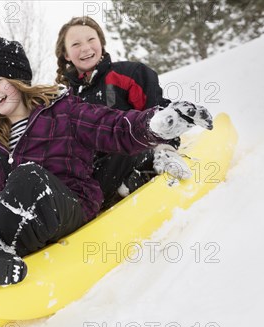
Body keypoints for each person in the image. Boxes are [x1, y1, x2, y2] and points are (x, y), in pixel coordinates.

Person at [0, 38, 212, 289]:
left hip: (65, 207)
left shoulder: (64, 110)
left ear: (18, 81)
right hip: (13, 224)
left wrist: (159, 122)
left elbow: (116, 128)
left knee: (28, 176)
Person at [55, 16, 191, 208]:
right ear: (66, 54)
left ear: (101, 42)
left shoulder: (130, 74)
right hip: (92, 178)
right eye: (76, 44)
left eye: (91, 40)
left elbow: (158, 114)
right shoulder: (66, 100)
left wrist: (165, 148)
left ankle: (137, 179)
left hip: (131, 154)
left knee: (127, 142)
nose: (85, 48)